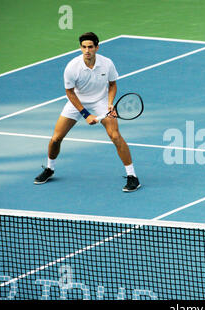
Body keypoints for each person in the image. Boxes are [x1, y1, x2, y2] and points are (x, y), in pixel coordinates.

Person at [34, 32, 141, 192]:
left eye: (90, 47)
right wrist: (85, 114)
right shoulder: (72, 67)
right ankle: (50, 168)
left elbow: (112, 85)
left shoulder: (107, 63)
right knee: (56, 138)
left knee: (115, 136)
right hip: (77, 100)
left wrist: (110, 104)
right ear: (80, 48)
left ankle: (132, 177)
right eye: (84, 47)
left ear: (97, 47)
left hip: (101, 101)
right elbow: (69, 92)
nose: (87, 50)